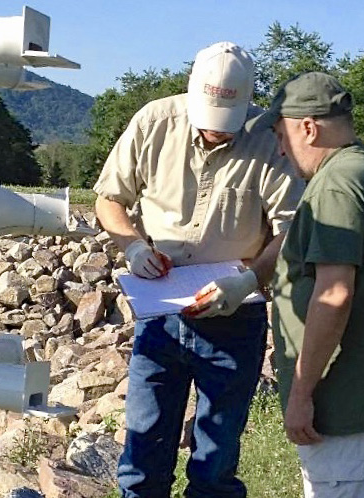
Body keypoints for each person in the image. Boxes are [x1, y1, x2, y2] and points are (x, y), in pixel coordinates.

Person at [93, 41, 304, 498]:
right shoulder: (154, 122)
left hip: (236, 314)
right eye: (207, 121)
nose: (215, 133)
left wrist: (249, 279)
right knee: (142, 454)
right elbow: (110, 199)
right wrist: (132, 246)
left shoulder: (269, 139)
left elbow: (293, 229)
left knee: (215, 461)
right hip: (161, 310)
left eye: (226, 126)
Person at [246, 71, 364, 498]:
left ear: (308, 128)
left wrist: (300, 393)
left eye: (281, 135)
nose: (279, 149)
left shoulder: (334, 186)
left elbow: (334, 293)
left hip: (347, 413)